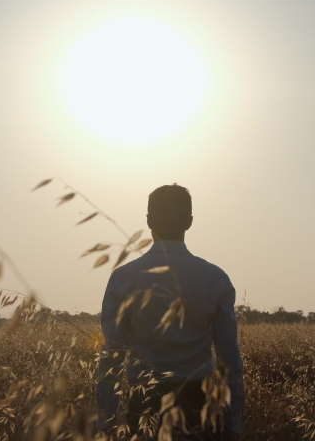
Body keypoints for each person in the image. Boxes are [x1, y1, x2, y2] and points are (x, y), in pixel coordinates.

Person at [96, 184, 244, 440]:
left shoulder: (124, 278)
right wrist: (233, 424)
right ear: (189, 222)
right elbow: (229, 360)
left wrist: (106, 421)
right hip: (199, 408)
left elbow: (112, 357)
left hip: (143, 408)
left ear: (149, 221)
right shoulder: (215, 278)